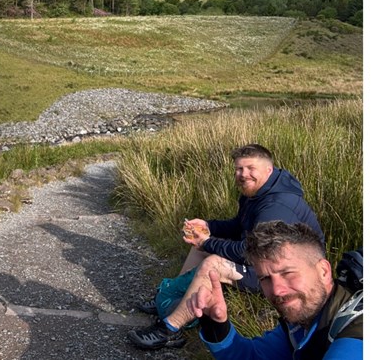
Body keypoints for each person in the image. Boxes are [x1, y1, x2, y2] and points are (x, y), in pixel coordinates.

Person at [127, 144, 324, 350]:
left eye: (250, 168)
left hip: (280, 274)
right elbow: (239, 225)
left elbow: (249, 253)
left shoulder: (276, 205)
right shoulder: (256, 192)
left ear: (268, 170)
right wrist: (208, 227)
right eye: (239, 169)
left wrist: (208, 242)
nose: (243, 174)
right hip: (265, 259)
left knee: (213, 264)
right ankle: (173, 297)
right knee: (200, 247)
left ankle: (169, 329)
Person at [188, 221, 362, 359]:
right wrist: (215, 323)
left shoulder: (357, 328)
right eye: (265, 278)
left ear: (323, 271)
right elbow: (253, 356)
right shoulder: (302, 321)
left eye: (287, 273)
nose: (277, 290)